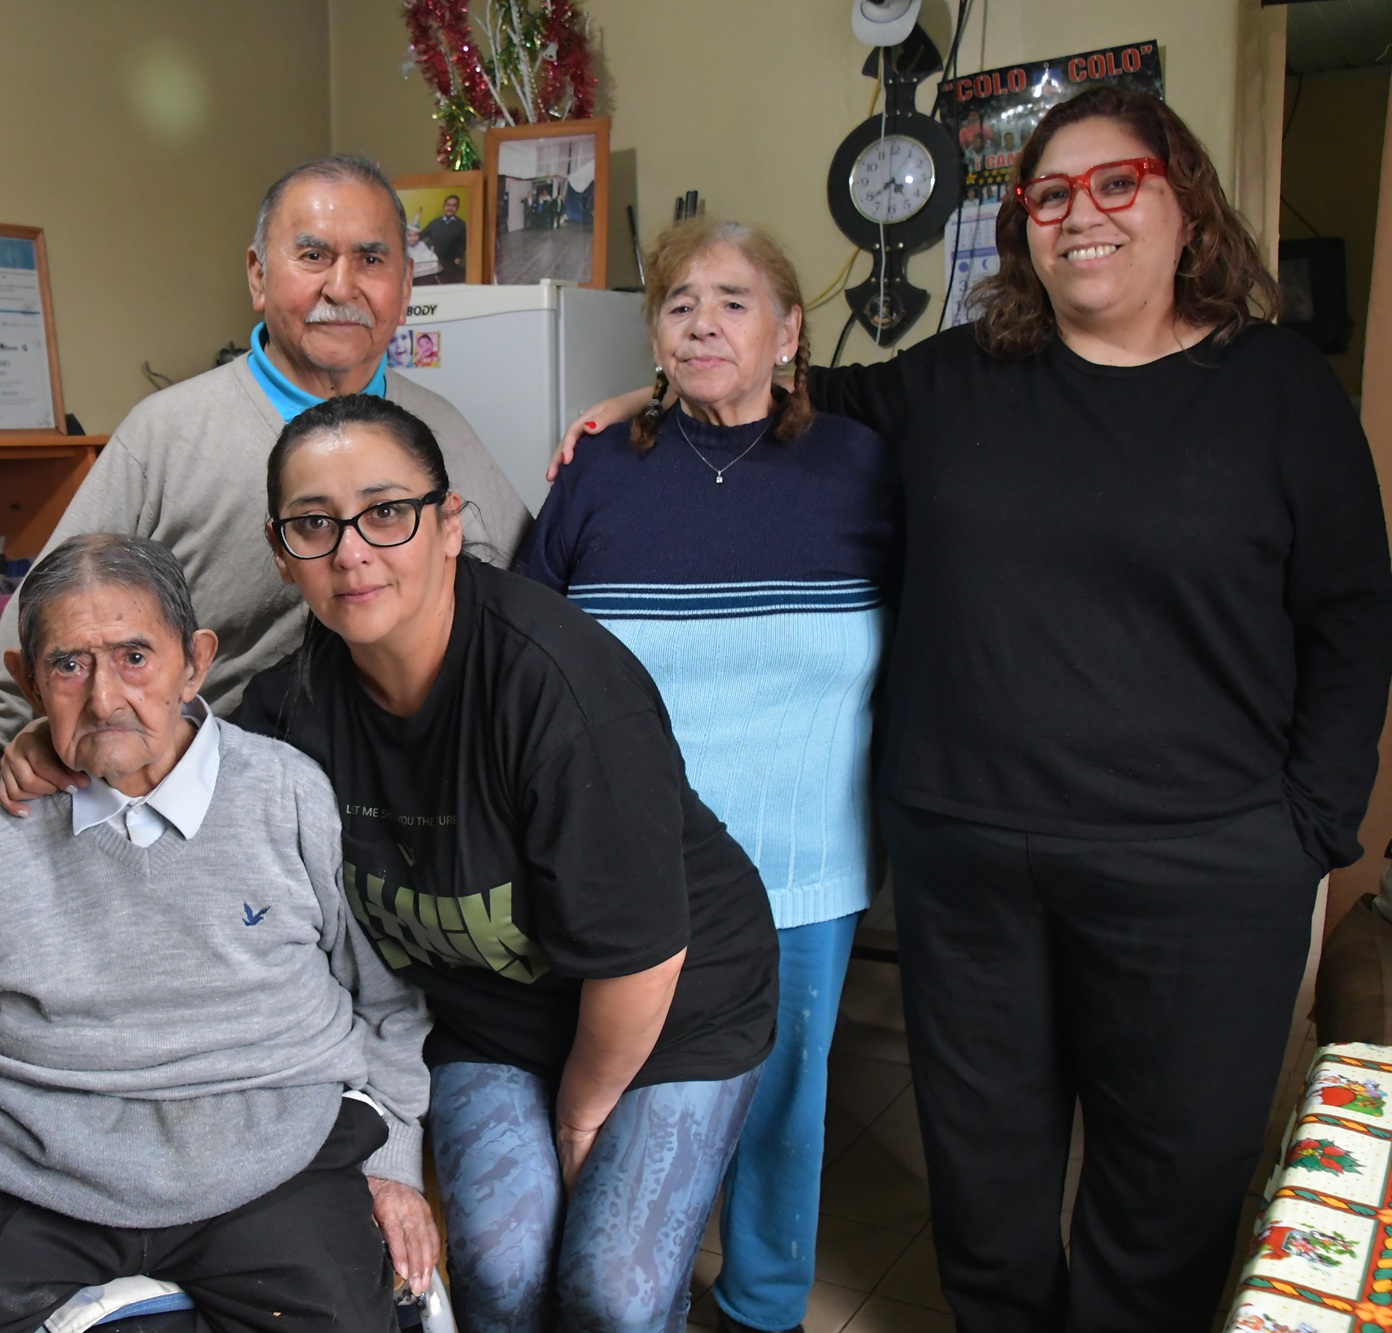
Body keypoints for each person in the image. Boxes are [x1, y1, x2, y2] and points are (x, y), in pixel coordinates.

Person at [553, 87, 1392, 1332]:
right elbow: (799, 392)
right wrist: (649, 400)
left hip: (1201, 870)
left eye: (1118, 183)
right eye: (1048, 195)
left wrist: (1309, 829)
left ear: (1184, 205)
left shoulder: (1272, 387)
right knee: (987, 1188)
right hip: (972, 867)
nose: (1080, 215)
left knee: (1162, 1193)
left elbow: (1350, 613)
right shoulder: (964, 376)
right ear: (1024, 233)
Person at [0, 396, 775, 1329]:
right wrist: (60, 740)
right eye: (314, 524)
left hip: (663, 1002)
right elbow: (172, 763)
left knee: (615, 1287)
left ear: (450, 526)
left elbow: (640, 957)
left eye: (387, 511)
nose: (352, 551)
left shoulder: (559, 687)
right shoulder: (290, 710)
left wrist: (577, 1118)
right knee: (499, 1262)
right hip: (487, 1014)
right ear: (284, 554)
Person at [0, 535, 433, 1333]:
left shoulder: (289, 796)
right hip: (29, 1174)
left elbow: (388, 1001)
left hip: (273, 1160)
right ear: (29, 683)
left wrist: (392, 1165)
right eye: (70, 664)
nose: (106, 696)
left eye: (135, 655)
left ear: (196, 662)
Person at [0, 153, 530, 898]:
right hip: (194, 823)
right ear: (259, 276)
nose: (342, 286)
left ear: (405, 286)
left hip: (405, 826)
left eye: (372, 258)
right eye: (313, 255)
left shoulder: (443, 437)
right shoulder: (167, 435)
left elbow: (525, 611)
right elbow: (48, 616)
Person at [520, 219, 894, 1333]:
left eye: (733, 300)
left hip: (799, 851)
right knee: (627, 1095)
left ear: (788, 333)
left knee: (782, 1102)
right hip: (628, 855)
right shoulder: (595, 468)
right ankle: (631, 1292)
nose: (702, 320)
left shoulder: (863, 466)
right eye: (678, 301)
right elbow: (523, 644)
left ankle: (763, 1303)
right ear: (653, 337)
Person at [417, 194, 468, 284]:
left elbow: (463, 242)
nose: (450, 208)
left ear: (457, 208)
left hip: (450, 262)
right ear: (444, 206)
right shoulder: (435, 223)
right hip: (432, 261)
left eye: (454, 206)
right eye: (448, 205)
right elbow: (421, 236)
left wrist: (458, 256)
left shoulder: (461, 225)